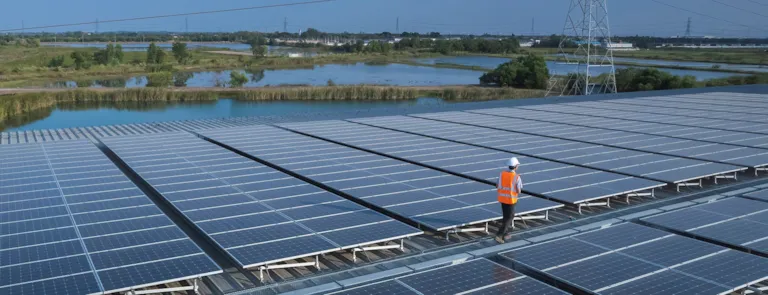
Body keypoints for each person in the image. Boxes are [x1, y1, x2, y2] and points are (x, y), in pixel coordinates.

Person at [495, 157, 522, 244]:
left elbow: (497, 185)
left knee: (505, 216)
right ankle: (499, 235)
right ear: (516, 166)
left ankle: (505, 233)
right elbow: (519, 190)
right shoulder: (516, 177)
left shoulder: (502, 174)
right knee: (510, 217)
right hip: (511, 200)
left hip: (503, 199)